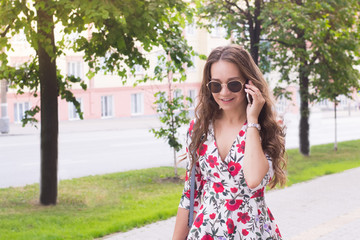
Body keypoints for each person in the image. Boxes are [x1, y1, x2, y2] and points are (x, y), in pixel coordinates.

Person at [172, 45, 287, 240]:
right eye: (216, 85)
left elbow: (253, 179)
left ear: (249, 84)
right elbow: (189, 194)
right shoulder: (198, 129)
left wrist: (252, 121)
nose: (224, 92)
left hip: (251, 232)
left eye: (233, 84)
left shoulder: (266, 128)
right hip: (206, 232)